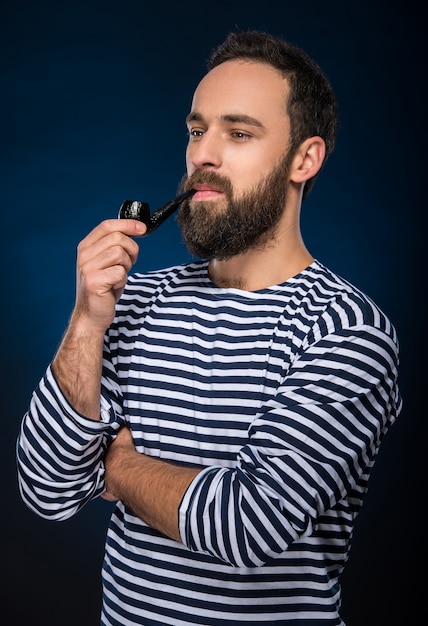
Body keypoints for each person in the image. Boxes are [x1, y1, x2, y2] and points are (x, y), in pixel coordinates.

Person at [17, 30, 402, 625]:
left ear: (306, 158)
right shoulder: (132, 300)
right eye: (197, 131)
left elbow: (247, 525)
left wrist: (116, 466)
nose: (203, 154)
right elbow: (47, 490)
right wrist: (89, 322)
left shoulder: (347, 330)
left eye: (239, 133)